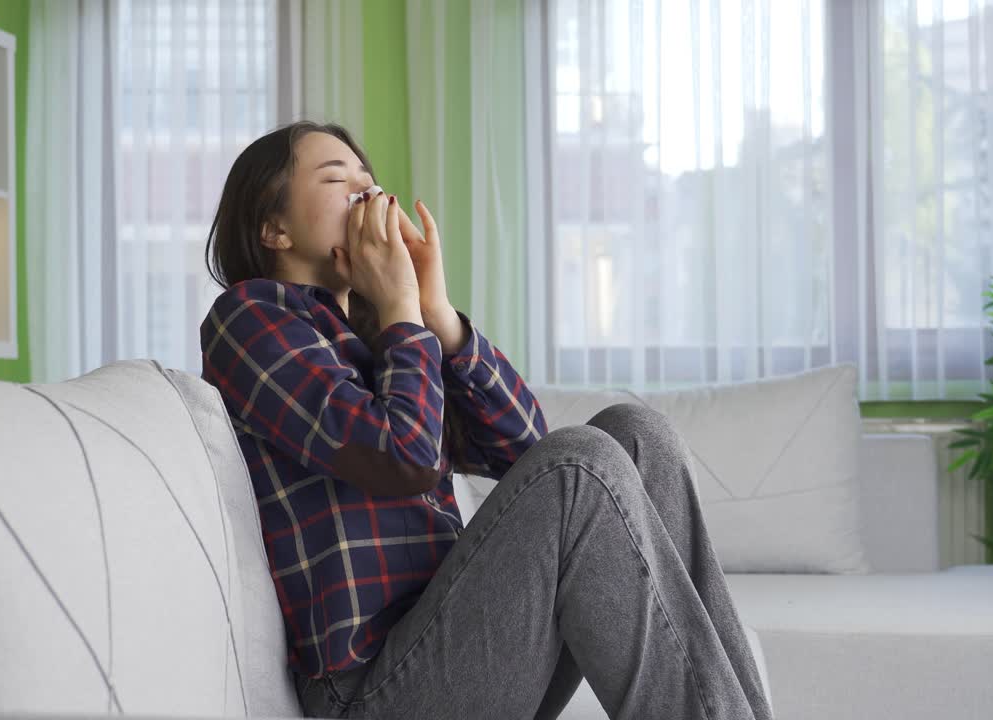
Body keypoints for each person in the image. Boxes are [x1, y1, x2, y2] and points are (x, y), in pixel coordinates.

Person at [198, 120, 773, 720]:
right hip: (372, 691)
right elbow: (406, 456)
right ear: (274, 228)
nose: (367, 195)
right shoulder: (249, 320)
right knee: (581, 466)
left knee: (636, 435)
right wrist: (401, 312)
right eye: (337, 180)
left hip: (462, 637)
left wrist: (438, 317)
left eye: (370, 182)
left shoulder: (383, 341)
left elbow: (528, 450)